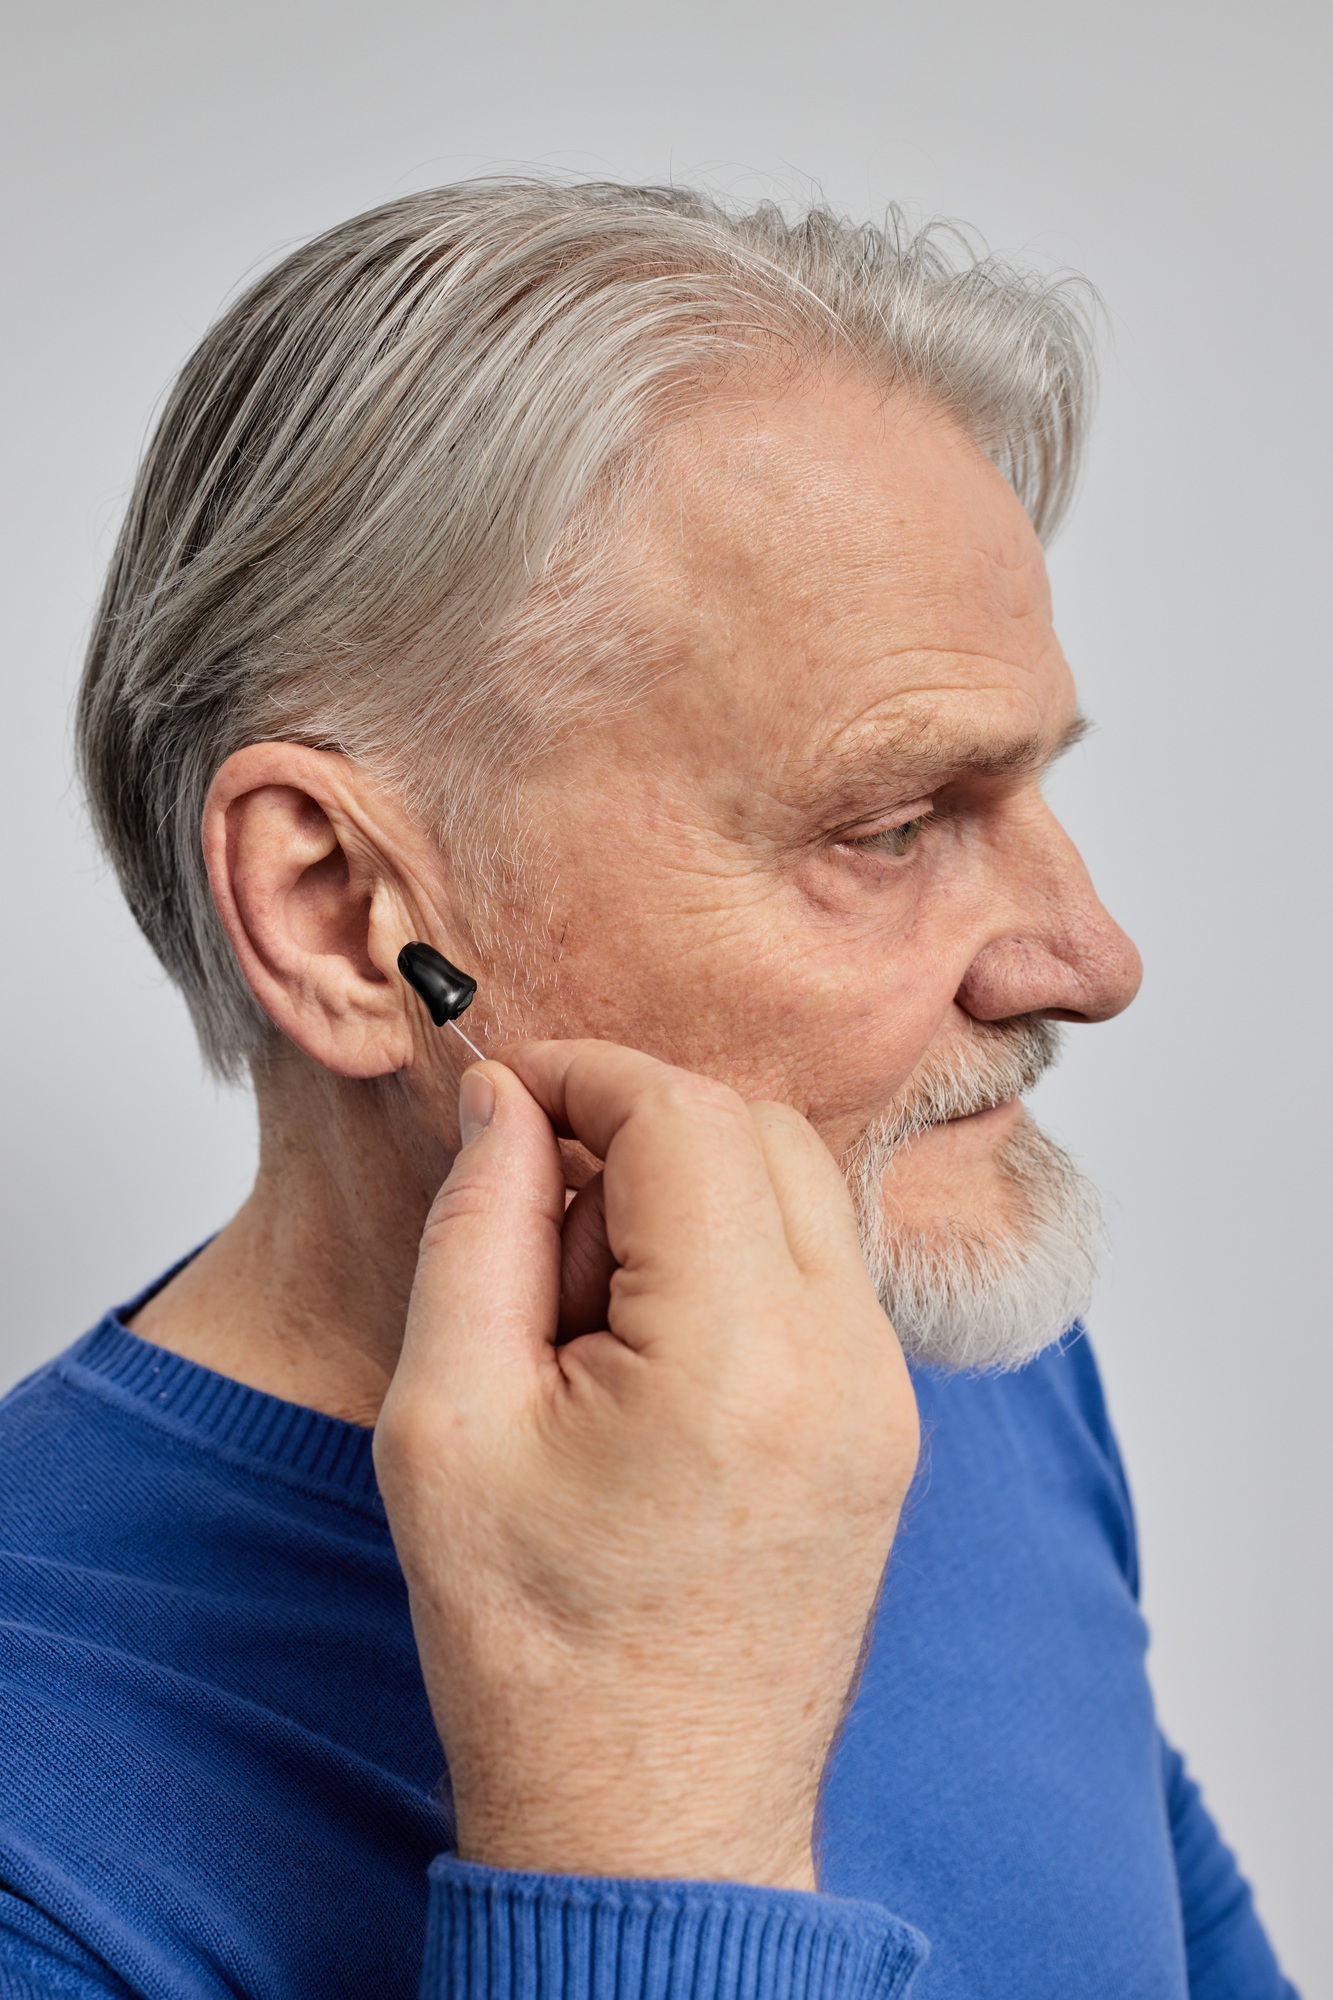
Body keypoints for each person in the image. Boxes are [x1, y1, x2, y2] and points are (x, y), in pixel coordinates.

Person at [0, 182, 1298, 2000]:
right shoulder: (34, 1841)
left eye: (1031, 792)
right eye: (894, 821)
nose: (1090, 958)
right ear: (344, 917)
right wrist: (647, 1820)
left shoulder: (916, 1338)